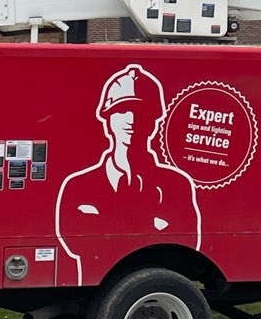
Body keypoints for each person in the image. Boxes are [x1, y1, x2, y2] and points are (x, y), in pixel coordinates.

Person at [54, 63, 200, 285]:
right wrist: (150, 224)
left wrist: (104, 223)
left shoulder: (176, 185)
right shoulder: (78, 186)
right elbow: (76, 241)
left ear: (155, 121)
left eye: (142, 111)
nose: (131, 120)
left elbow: (187, 241)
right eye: (122, 110)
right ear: (108, 119)